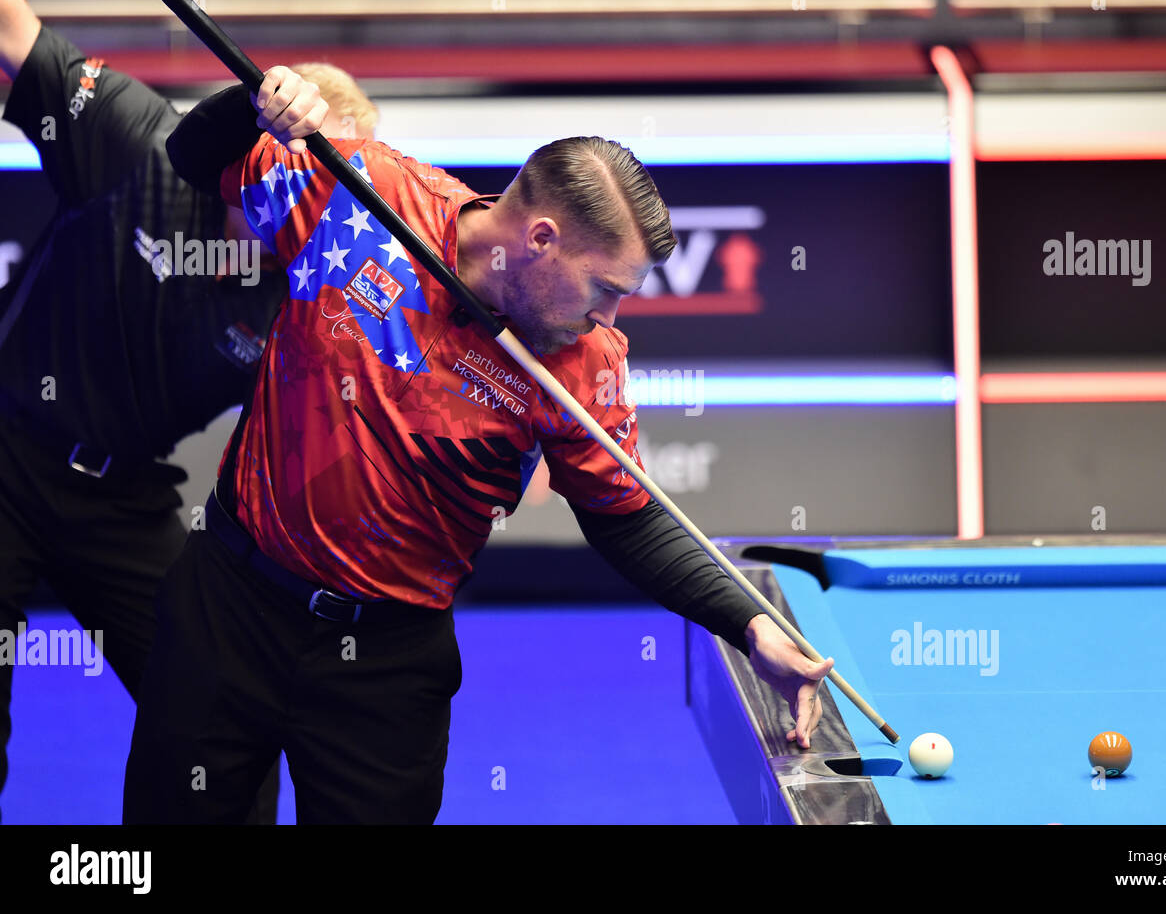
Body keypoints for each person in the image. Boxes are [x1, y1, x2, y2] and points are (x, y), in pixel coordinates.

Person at [123, 66, 833, 824]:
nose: (612, 315)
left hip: (387, 666)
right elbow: (194, 157)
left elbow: (625, 516)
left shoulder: (585, 362)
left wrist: (752, 622)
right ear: (540, 240)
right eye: (604, 288)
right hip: (230, 605)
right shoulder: (363, 194)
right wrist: (255, 104)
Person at [0, 0, 374, 822]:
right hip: (5, 450)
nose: (326, 206)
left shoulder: (314, 288)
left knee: (220, 712)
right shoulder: (135, 138)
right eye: (318, 174)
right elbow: (12, 24)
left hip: (125, 494)